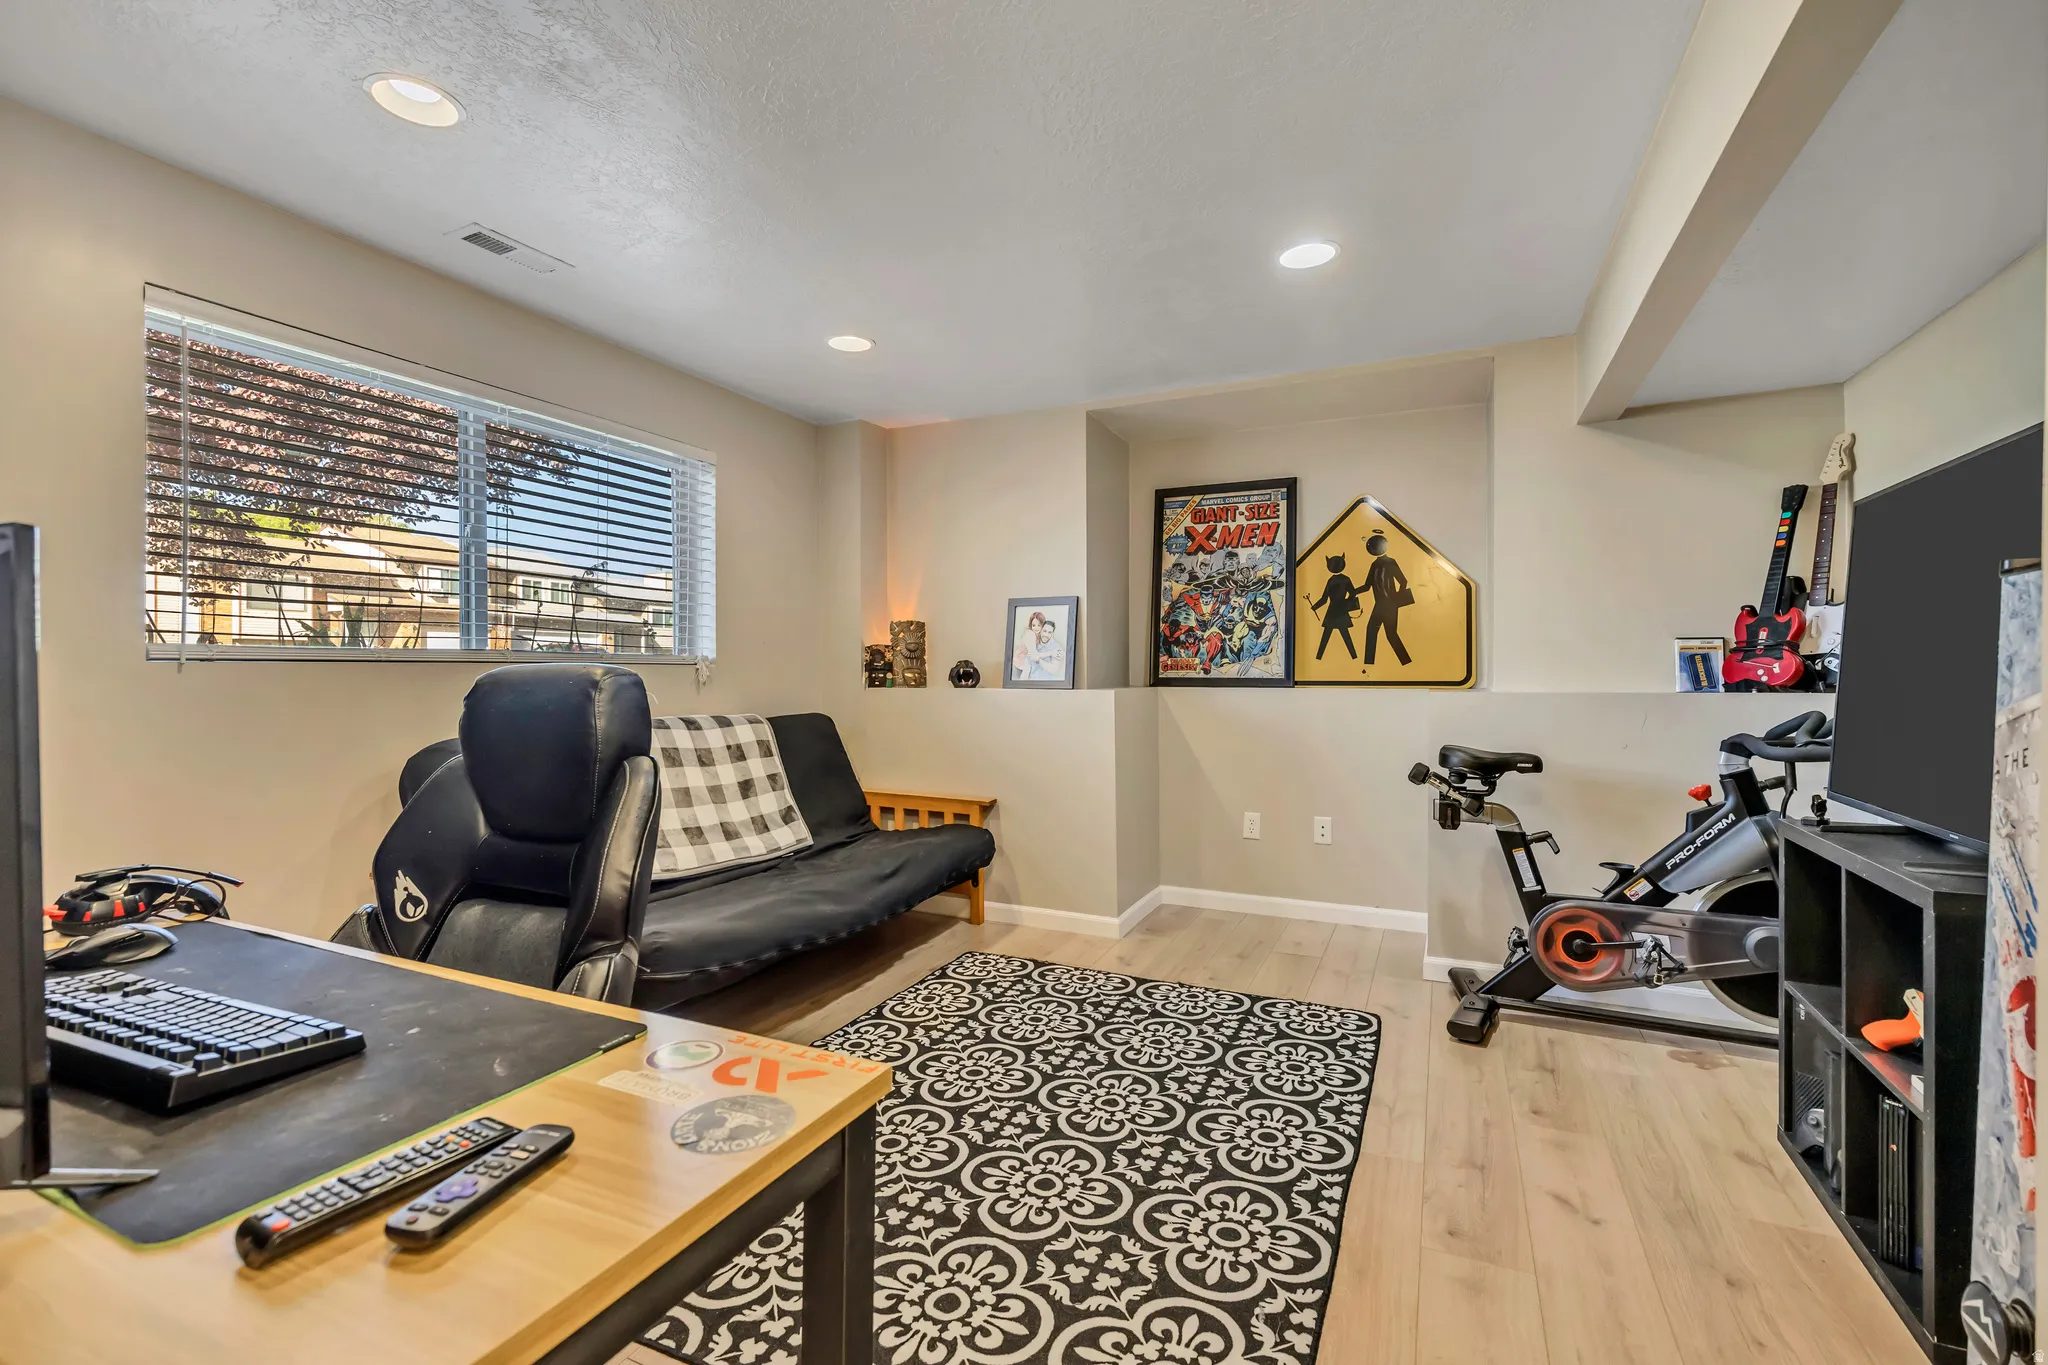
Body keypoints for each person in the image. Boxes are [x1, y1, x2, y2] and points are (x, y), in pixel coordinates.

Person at [1362, 532, 1413, 666]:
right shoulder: (1374, 564)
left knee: (1390, 634)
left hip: (1390, 605)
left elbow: (1403, 581)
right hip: (1379, 605)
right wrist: (1353, 592)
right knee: (1372, 631)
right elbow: (1367, 586)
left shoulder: (1391, 562)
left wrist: (1396, 599)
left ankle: (1406, 662)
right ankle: (1369, 664)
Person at [1306, 554, 1362, 660]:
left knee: (1326, 636)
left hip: (1332, 612)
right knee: (1346, 635)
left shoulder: (1331, 581)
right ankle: (1354, 656)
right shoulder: (1346, 579)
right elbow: (1353, 593)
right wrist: (1347, 603)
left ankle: (1319, 657)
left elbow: (1324, 599)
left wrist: (1314, 607)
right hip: (1342, 610)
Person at [1014, 610, 1066, 680]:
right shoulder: (1030, 634)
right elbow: (1033, 656)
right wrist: (1051, 653)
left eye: (1039, 625)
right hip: (1020, 664)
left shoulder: (1047, 641)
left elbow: (1055, 669)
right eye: (1033, 625)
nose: (1036, 628)